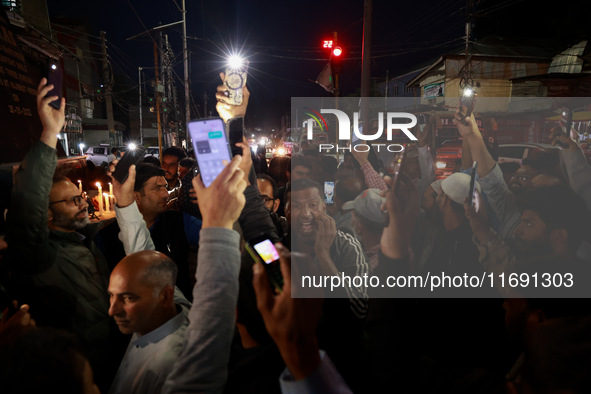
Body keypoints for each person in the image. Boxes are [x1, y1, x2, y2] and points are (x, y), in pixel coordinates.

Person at [3, 79, 132, 388]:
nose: (84, 203)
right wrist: (49, 134)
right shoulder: (40, 256)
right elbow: (27, 206)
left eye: (82, 196)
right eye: (73, 200)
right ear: (45, 213)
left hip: (110, 360)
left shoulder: (84, 238)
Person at [99, 163, 202, 298]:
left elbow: (219, 236)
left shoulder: (180, 221)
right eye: (157, 188)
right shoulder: (105, 236)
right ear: (136, 196)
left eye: (165, 187)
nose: (166, 194)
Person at [108, 250, 189, 394]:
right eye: (111, 296)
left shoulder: (169, 369)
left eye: (128, 298)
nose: (112, 311)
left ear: (165, 297)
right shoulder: (157, 310)